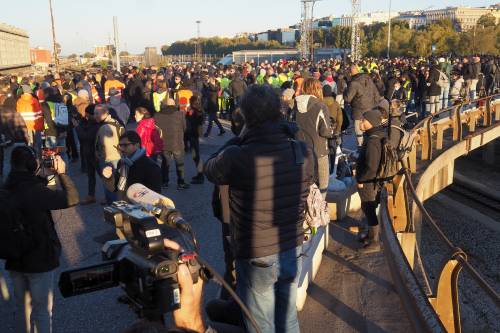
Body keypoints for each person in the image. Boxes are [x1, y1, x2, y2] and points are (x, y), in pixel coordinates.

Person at [204, 85, 315, 333]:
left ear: (245, 116)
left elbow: (209, 169)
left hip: (257, 252)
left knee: (260, 324)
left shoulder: (237, 154)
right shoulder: (301, 150)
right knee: (287, 319)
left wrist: (239, 139)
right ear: (279, 111)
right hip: (292, 245)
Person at [3, 145, 79, 333]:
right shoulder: (37, 192)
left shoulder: (6, 188)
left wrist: (39, 177)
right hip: (39, 258)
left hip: (14, 258)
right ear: (31, 164)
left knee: (22, 309)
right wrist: (62, 174)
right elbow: (71, 198)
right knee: (42, 310)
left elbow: (24, 189)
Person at [295, 78, 333, 198]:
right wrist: (332, 129)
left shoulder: (294, 105)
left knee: (303, 188)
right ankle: (319, 215)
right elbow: (325, 131)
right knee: (322, 188)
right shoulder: (321, 106)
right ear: (318, 89)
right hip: (319, 152)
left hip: (299, 152)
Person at [355, 109, 385, 253]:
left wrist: (361, 179)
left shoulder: (373, 140)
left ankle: (374, 242)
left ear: (371, 122)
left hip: (368, 181)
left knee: (369, 208)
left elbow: (372, 166)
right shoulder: (374, 135)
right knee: (369, 208)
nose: (361, 122)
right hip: (371, 181)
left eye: (363, 120)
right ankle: (370, 235)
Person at [102, 131, 162, 200]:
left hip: (140, 208)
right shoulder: (122, 162)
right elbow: (114, 188)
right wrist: (109, 177)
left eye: (125, 145)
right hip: (122, 206)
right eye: (120, 145)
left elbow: (155, 196)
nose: (121, 149)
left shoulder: (151, 166)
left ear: (137, 145)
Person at [155, 98, 190, 190]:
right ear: (174, 105)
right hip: (177, 143)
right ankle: (181, 183)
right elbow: (185, 128)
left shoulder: (157, 115)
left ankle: (165, 182)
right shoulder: (180, 114)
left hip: (164, 143)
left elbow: (156, 130)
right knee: (179, 163)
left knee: (165, 163)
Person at [345, 64, 380, 146]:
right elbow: (376, 94)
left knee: (359, 131)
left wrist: (345, 91)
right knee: (369, 130)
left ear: (350, 73)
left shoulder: (353, 83)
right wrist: (374, 106)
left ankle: (361, 148)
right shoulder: (368, 79)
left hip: (359, 111)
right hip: (371, 109)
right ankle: (368, 146)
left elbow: (347, 98)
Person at [94, 104, 122, 204]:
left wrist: (102, 158)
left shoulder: (105, 127)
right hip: (117, 156)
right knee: (116, 183)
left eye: (97, 113)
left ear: (105, 113)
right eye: (94, 113)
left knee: (110, 184)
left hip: (110, 158)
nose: (95, 116)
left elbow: (107, 147)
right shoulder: (115, 122)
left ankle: (113, 207)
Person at [76, 104, 99, 205]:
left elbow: (85, 136)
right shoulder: (88, 121)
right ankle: (91, 195)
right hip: (88, 152)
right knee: (91, 175)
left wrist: (78, 127)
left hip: (95, 153)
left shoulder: (96, 124)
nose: (86, 116)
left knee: (104, 176)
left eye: (88, 114)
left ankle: (111, 196)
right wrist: (81, 123)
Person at [16, 85, 43, 150]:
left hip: (25, 125)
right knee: (37, 143)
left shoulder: (19, 101)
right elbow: (39, 113)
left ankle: (29, 157)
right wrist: (41, 126)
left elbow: (18, 114)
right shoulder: (34, 100)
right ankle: (38, 158)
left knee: (28, 143)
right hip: (35, 124)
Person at [186, 95, 205, 184]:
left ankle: (201, 175)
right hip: (193, 134)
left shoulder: (195, 111)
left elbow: (191, 121)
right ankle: (199, 174)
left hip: (193, 134)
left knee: (196, 156)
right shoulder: (198, 110)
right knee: (195, 156)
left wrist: (189, 112)